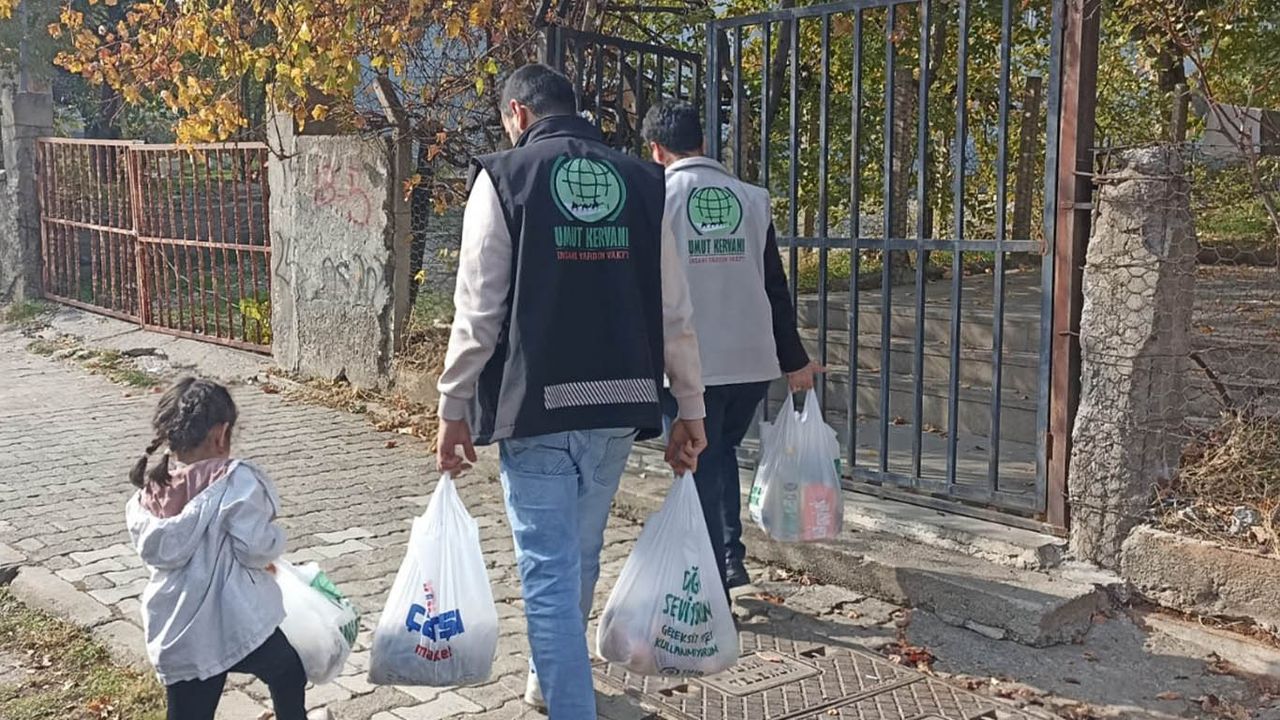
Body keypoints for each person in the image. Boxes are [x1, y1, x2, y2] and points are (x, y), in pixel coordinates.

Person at [434, 64, 708, 718]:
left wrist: (453, 405)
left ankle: (568, 703)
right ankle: (546, 679)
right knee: (580, 556)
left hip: (538, 409)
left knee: (549, 575)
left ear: (518, 114)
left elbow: (478, 310)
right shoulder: (644, 181)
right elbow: (675, 311)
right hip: (618, 406)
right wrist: (691, 407)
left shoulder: (505, 177)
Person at [642, 99, 825, 595]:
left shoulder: (656, 198)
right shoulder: (751, 198)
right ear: (703, 142)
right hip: (751, 361)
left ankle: (709, 583)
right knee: (720, 451)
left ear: (656, 150)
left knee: (696, 462)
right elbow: (774, 286)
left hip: (688, 366)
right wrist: (794, 360)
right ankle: (729, 559)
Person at [126, 378, 326, 720]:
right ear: (221, 434)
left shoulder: (150, 493)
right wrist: (275, 542)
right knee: (287, 672)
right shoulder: (236, 482)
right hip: (236, 620)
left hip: (181, 629)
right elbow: (255, 547)